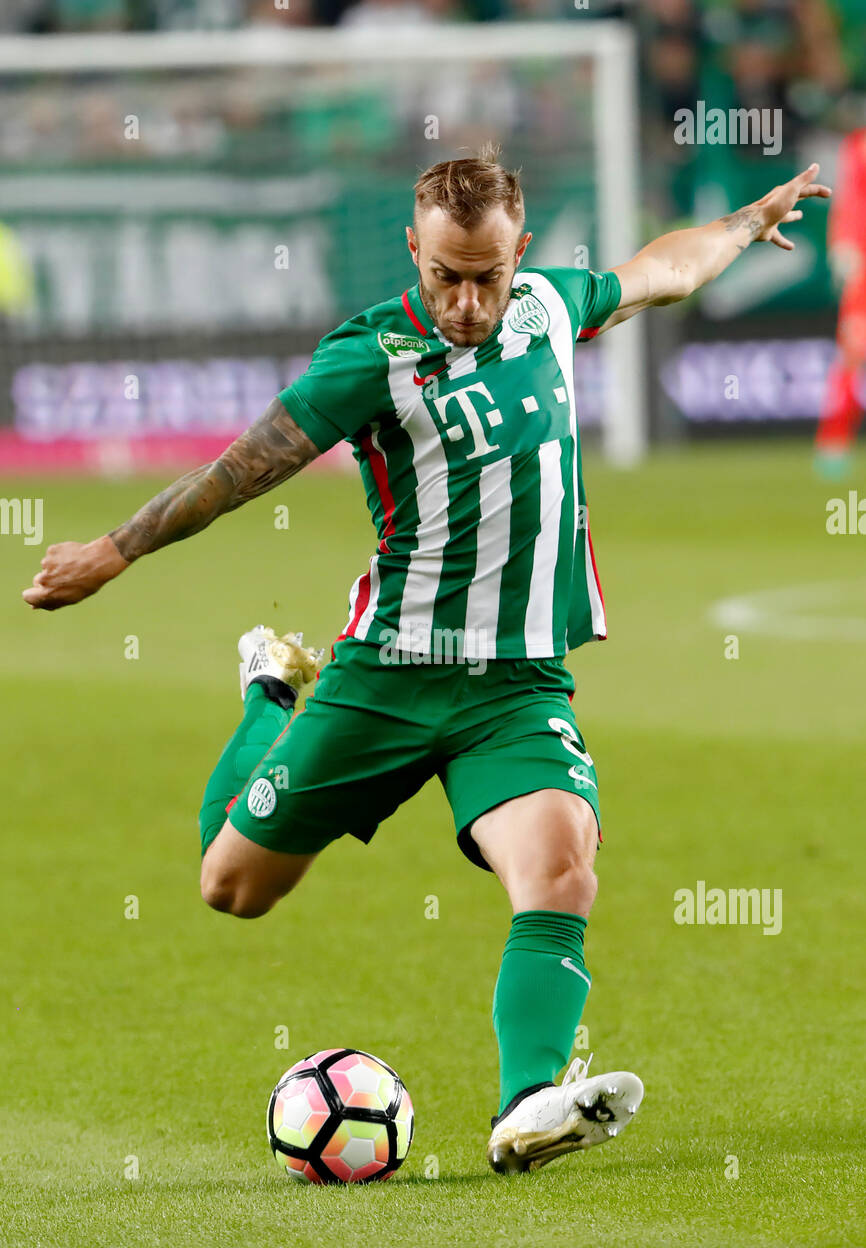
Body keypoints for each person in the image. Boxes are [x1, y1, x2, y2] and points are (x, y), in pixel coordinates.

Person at [23, 147, 830, 1174]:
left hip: (514, 686)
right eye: (444, 274)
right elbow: (239, 470)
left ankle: (531, 1101)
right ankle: (271, 695)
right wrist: (112, 550)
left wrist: (738, 224)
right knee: (231, 886)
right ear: (413, 250)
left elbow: (657, 274)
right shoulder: (369, 358)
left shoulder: (545, 305)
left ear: (519, 255)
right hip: (385, 674)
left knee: (561, 868)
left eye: (485, 275)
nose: (464, 300)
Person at [815, 127, 866, 478]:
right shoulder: (858, 145)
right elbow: (849, 200)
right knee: (854, 350)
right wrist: (843, 245)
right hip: (863, 265)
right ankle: (833, 440)